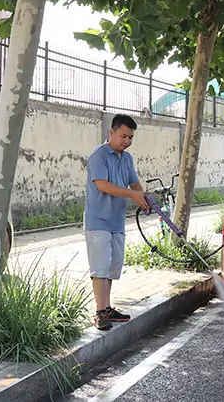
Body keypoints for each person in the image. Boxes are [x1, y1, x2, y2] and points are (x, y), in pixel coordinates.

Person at [83, 114, 149, 331]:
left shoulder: (126, 158)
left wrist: (144, 198)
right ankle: (99, 312)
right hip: (98, 220)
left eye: (130, 137)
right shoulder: (98, 156)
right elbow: (102, 185)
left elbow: (135, 184)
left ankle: (107, 307)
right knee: (100, 268)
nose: (126, 141)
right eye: (123, 136)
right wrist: (132, 195)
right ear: (111, 133)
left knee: (112, 268)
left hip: (116, 222)